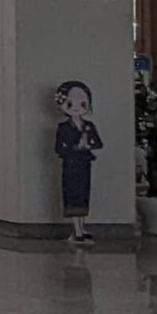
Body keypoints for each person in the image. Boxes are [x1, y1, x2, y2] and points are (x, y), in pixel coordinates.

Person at [53, 79, 102, 245]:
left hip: (84, 164)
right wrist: (75, 147)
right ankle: (77, 229)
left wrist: (87, 145)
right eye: (70, 103)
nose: (76, 107)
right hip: (71, 165)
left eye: (82, 103)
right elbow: (59, 148)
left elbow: (98, 143)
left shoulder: (88, 126)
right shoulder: (64, 128)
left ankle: (82, 227)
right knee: (73, 194)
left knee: (83, 194)